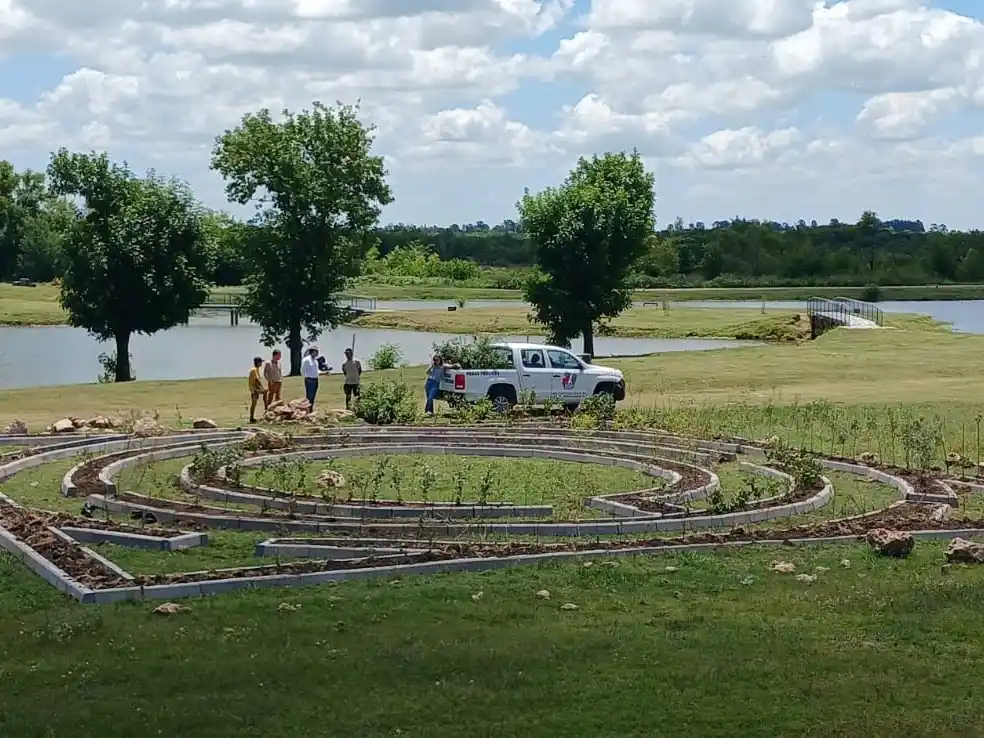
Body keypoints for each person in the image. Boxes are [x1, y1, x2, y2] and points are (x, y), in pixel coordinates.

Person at [300, 346, 329, 412]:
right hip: (309, 380)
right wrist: (308, 377)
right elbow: (303, 371)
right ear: (312, 352)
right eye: (316, 351)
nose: (317, 353)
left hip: (315, 380)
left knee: (313, 397)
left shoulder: (315, 361)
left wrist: (324, 373)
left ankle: (310, 410)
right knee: (309, 397)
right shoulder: (306, 360)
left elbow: (317, 371)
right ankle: (307, 410)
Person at [247, 356, 265, 423]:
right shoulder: (254, 370)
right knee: (254, 403)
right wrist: (262, 387)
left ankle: (252, 417)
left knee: (254, 403)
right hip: (254, 389)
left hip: (255, 389)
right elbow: (257, 380)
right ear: (258, 363)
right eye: (260, 362)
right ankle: (251, 418)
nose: (261, 364)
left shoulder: (256, 370)